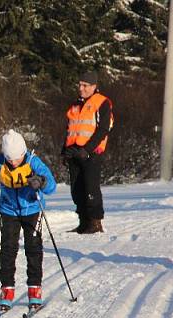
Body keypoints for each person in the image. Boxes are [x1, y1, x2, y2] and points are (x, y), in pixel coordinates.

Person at [0, 129, 57, 312]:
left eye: (17, 158)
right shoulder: (0, 161)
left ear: (23, 152)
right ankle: (7, 290)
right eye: (9, 158)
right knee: (8, 250)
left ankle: (35, 289)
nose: (13, 162)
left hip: (33, 209)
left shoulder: (33, 161)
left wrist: (41, 182)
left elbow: (52, 186)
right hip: (9, 210)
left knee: (33, 248)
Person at [62, 71, 113, 234]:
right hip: (74, 151)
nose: (81, 88)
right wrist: (65, 151)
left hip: (91, 152)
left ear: (93, 86)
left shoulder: (102, 103)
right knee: (76, 189)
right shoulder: (75, 104)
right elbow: (70, 129)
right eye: (80, 84)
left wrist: (87, 149)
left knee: (91, 187)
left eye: (85, 85)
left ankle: (95, 222)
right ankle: (83, 221)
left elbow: (103, 129)